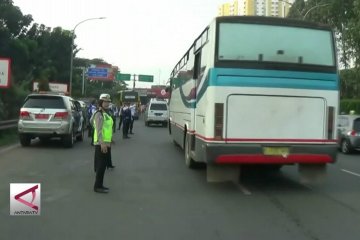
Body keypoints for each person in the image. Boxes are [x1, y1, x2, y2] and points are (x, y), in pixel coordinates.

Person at [92, 93, 114, 193]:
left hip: (106, 143)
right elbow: (99, 130)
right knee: (100, 166)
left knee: (103, 166)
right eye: (105, 102)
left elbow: (108, 128)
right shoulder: (99, 114)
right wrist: (102, 143)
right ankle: (97, 186)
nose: (107, 103)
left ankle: (100, 184)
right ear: (101, 102)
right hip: (101, 144)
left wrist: (110, 140)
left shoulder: (106, 113)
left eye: (108, 102)